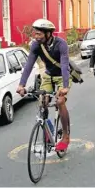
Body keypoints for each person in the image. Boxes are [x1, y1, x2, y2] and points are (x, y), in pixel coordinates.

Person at [16, 19, 72, 151]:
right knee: (42, 102)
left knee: (60, 101)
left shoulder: (61, 44)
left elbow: (64, 64)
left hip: (62, 76)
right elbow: (29, 64)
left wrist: (65, 87)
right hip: (48, 76)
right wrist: (21, 84)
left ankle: (65, 136)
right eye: (35, 34)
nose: (36, 37)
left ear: (48, 34)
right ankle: (49, 132)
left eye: (39, 34)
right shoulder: (36, 45)